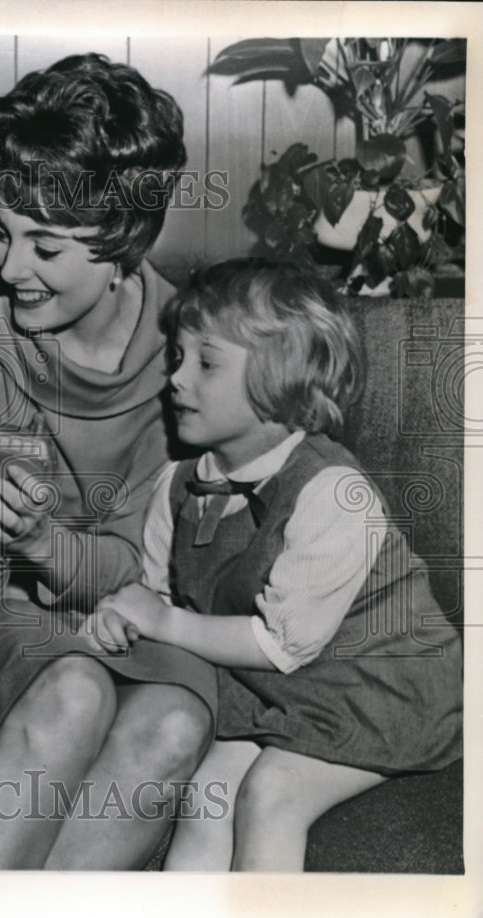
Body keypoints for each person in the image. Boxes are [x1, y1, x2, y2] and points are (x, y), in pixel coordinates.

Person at [0, 53, 212, 869]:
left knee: (178, 720)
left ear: (125, 240)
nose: (7, 267)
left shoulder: (190, 354)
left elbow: (138, 567)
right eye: (2, 231)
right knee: (75, 690)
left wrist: (43, 543)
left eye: (45, 245)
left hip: (122, 603)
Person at [86, 258, 463, 871]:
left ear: (282, 380)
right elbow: (158, 596)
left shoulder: (334, 492)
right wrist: (124, 623)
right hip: (279, 697)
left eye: (206, 363)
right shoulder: (176, 485)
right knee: (208, 797)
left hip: (382, 689)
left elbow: (280, 643)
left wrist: (162, 622)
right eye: (177, 357)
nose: (176, 380)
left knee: (273, 793)